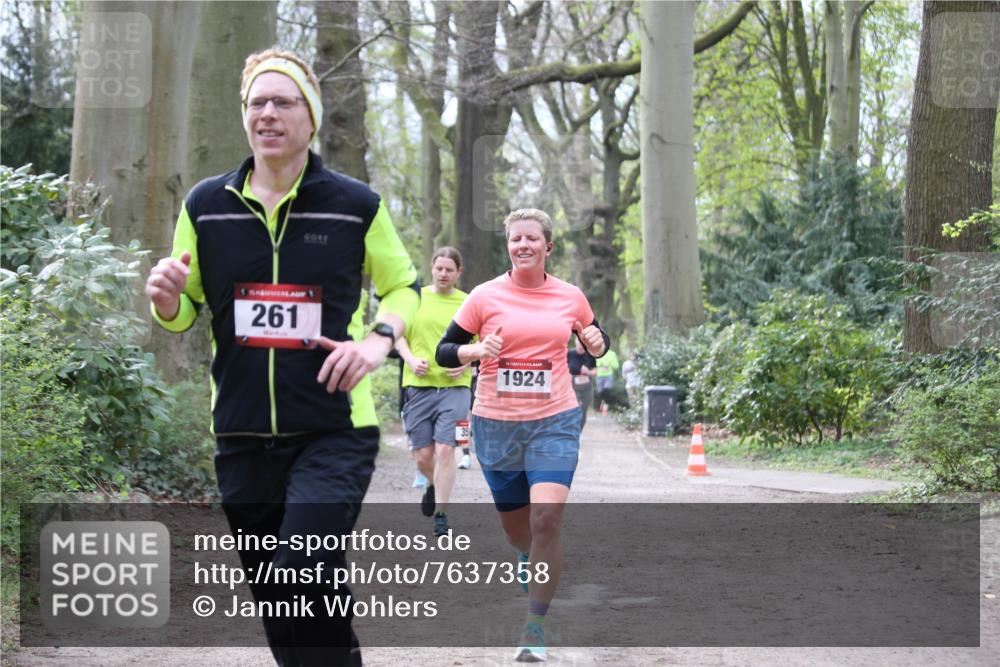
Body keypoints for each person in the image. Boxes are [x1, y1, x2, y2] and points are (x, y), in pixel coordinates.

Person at [144, 49, 418, 667]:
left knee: (303, 561)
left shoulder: (355, 205)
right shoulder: (205, 207)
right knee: (278, 595)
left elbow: (405, 286)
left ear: (311, 117)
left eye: (283, 101)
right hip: (240, 432)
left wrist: (376, 342)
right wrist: (165, 301)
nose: (267, 113)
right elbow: (186, 308)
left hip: (333, 428)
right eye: (256, 104)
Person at [435, 208, 610, 662]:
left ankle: (534, 625)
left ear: (548, 246)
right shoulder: (483, 296)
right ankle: (524, 556)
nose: (524, 245)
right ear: (508, 246)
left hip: (554, 420)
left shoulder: (570, 296)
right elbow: (443, 351)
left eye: (533, 238)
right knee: (519, 534)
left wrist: (597, 344)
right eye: (516, 239)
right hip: (495, 424)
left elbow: (598, 337)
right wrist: (474, 349)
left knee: (546, 520)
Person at [394, 247, 473, 537]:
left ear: (458, 273)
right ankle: (430, 484)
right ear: (432, 268)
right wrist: (411, 360)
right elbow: (398, 334)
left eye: (449, 270)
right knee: (423, 457)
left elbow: (483, 342)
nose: (443, 274)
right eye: (439, 268)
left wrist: (466, 360)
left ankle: (441, 513)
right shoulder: (416, 298)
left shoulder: (468, 302)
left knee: (445, 449)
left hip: (455, 386)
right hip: (418, 385)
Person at [566, 337, 597, 430]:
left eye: (582, 344)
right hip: (572, 386)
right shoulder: (569, 354)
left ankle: (578, 431)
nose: (580, 346)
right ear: (575, 342)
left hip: (586, 387)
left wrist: (588, 372)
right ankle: (571, 430)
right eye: (579, 343)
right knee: (575, 408)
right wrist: (568, 375)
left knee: (583, 411)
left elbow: (595, 371)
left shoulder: (590, 355)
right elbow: (562, 367)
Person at [595, 345, 620, 412]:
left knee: (607, 390)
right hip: (599, 375)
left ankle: (605, 407)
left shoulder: (612, 354)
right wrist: (601, 364)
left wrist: (610, 364)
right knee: (600, 392)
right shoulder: (598, 353)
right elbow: (594, 364)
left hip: (608, 376)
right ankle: (603, 402)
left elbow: (616, 365)